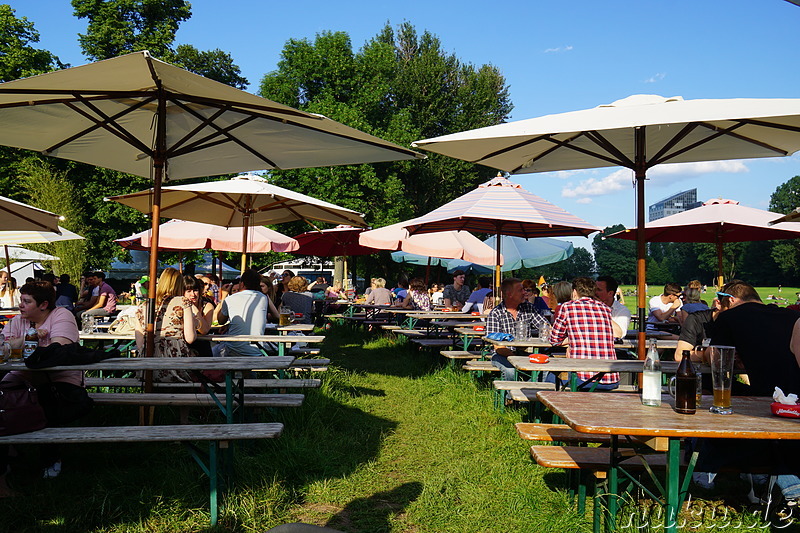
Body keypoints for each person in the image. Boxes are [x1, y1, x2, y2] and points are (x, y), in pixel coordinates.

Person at [0, 281, 83, 489]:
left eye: (27, 301)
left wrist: (16, 343)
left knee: (44, 402)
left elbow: (59, 349)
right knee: (2, 397)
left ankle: (51, 456)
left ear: (44, 305)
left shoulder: (61, 315)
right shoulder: (20, 320)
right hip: (24, 377)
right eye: (21, 300)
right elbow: (3, 348)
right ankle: (8, 453)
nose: (20, 305)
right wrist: (29, 338)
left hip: (58, 380)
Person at [550, 277, 619, 390]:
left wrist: (571, 341)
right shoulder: (605, 309)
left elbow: (554, 340)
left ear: (574, 292)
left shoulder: (567, 307)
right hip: (610, 379)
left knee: (550, 378)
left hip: (583, 378)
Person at [133, 268, 198, 382]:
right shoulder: (182, 302)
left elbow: (139, 343)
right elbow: (190, 338)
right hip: (175, 360)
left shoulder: (145, 305)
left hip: (147, 364)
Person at [486, 277, 539, 381]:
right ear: (510, 294)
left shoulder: (528, 308)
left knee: (544, 368)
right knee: (510, 370)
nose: (524, 292)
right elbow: (498, 347)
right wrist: (517, 359)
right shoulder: (496, 313)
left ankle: (532, 393)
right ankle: (510, 396)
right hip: (502, 354)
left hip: (525, 352)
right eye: (520, 290)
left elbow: (544, 326)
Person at [213, 268, 269, 356]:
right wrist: (229, 325)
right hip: (256, 350)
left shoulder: (230, 299)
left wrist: (224, 296)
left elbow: (220, 321)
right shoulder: (263, 298)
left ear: (242, 284)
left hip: (233, 350)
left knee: (213, 351)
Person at [183, 275, 215, 358]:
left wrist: (194, 308)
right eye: (188, 291)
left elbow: (204, 330)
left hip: (202, 349)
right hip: (183, 347)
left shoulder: (207, 306)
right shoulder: (178, 306)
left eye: (195, 290)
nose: (193, 294)